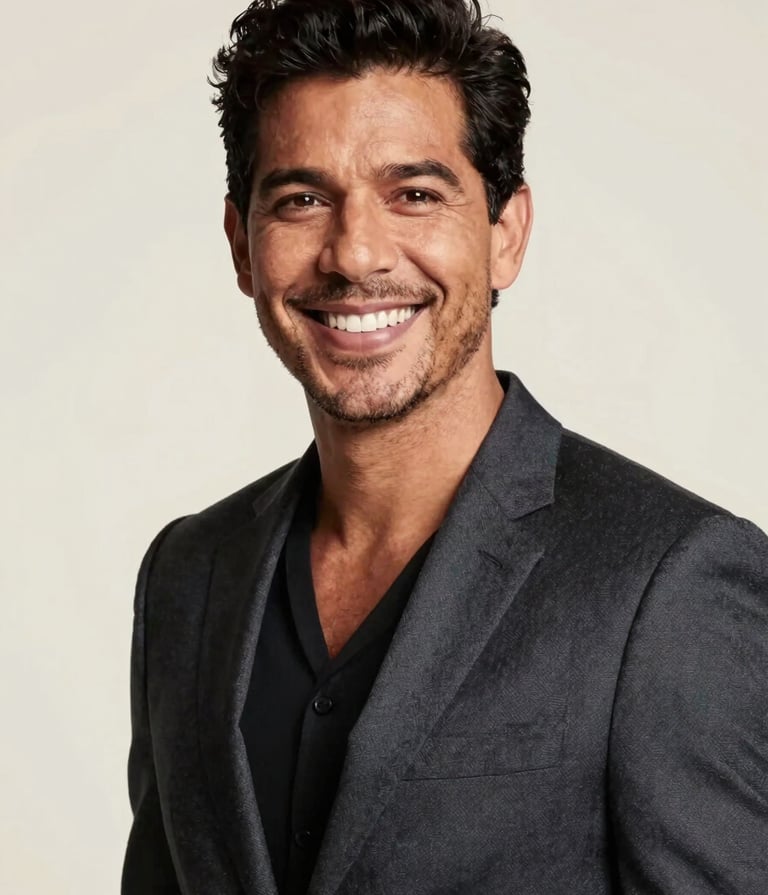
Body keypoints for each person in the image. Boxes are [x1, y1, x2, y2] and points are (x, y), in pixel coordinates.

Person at [121, 1, 768, 893]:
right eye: (302, 199)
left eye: (415, 194)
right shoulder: (185, 578)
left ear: (505, 233)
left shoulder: (671, 582)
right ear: (242, 245)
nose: (354, 253)